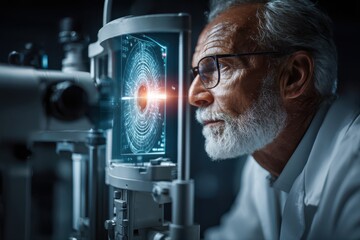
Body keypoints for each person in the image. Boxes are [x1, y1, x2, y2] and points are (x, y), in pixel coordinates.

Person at [188, 0, 360, 239]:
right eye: (198, 73)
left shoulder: (355, 161)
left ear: (293, 76)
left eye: (219, 68)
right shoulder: (263, 159)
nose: (194, 96)